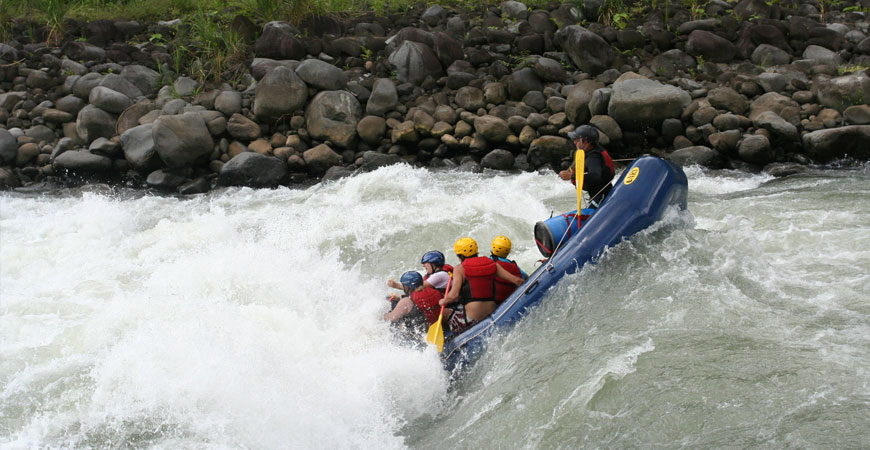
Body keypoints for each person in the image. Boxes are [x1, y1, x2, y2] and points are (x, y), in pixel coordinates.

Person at [439, 237, 524, 334]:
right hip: (492, 313)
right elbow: (518, 281)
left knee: (444, 313)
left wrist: (443, 301)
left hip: (471, 320)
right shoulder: (492, 264)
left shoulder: (459, 269)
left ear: (460, 256)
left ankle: (449, 340)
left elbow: (454, 295)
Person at [558, 124, 615, 208]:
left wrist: (571, 176)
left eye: (577, 140)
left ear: (585, 142)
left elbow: (595, 176)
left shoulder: (594, 157)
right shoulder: (591, 150)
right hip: (599, 193)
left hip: (602, 195)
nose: (574, 142)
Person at [387, 250, 453, 294]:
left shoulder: (439, 275)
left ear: (433, 264)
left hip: (451, 307)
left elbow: (417, 287)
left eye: (425, 263)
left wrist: (395, 285)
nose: (423, 266)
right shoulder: (439, 274)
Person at [489, 235, 527, 303]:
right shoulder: (512, 265)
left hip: (492, 302)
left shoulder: (487, 262)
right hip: (509, 301)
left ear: (492, 247)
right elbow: (525, 277)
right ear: (508, 251)